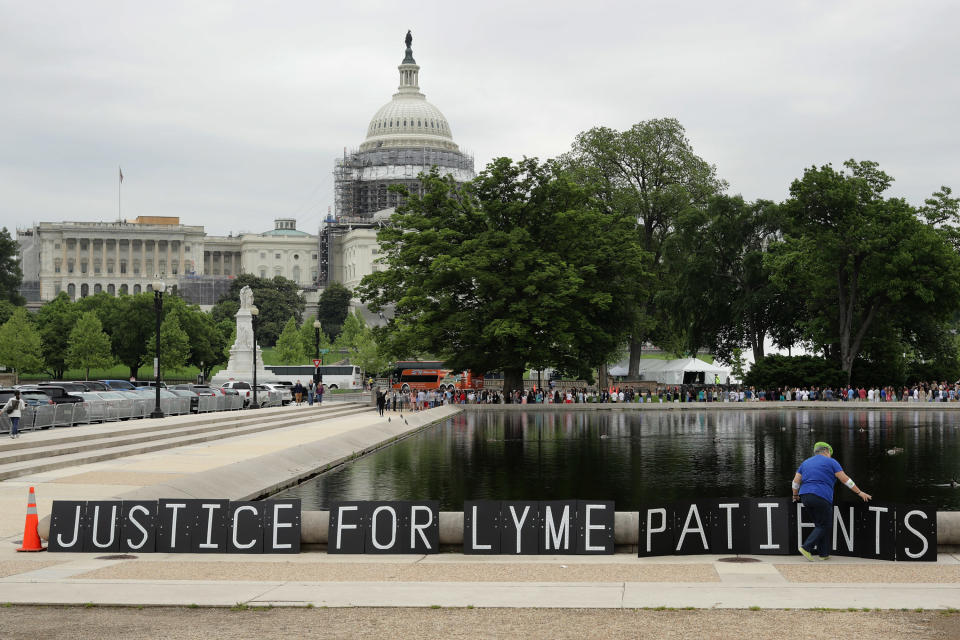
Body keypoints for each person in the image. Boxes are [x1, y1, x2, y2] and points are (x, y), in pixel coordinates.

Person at [791, 441, 872, 561]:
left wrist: (795, 495)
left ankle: (824, 554)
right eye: (830, 453)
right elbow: (845, 479)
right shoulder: (831, 462)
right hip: (821, 496)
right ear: (827, 451)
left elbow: (795, 482)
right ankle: (806, 547)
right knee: (824, 525)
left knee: (820, 525)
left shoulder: (805, 463)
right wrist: (859, 492)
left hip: (805, 496)